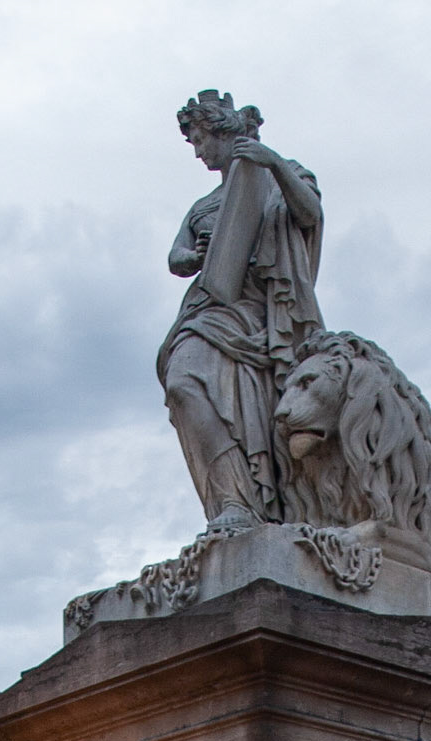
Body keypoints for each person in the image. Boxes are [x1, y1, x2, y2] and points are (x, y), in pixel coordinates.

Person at [158, 90, 323, 534]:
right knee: (183, 381)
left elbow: (310, 215)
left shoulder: (281, 175)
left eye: (198, 141)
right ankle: (231, 499)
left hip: (269, 315)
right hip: (211, 310)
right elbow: (175, 256)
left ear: (220, 131)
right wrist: (193, 256)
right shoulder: (204, 205)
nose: (197, 152)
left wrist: (273, 164)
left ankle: (266, 507)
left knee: (267, 414)